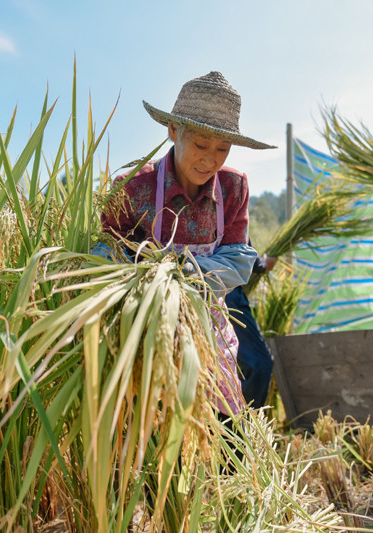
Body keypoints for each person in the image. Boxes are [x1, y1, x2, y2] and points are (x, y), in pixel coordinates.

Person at [102, 71, 276, 416]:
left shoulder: (233, 187)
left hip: (209, 321)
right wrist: (150, 284)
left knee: (224, 417)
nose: (210, 160)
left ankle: (229, 468)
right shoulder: (133, 187)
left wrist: (179, 276)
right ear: (172, 131)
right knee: (154, 422)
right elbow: (105, 252)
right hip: (146, 329)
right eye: (200, 144)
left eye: (222, 148)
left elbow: (239, 259)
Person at [225, 254, 276, 409]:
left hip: (217, 288)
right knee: (259, 364)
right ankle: (242, 424)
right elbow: (236, 248)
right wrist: (262, 264)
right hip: (225, 292)